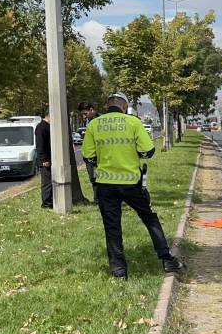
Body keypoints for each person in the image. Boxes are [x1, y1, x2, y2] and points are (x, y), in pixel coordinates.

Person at [82, 92, 183, 279]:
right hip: (131, 184)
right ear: (124, 107)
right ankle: (167, 259)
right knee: (149, 218)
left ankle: (119, 272)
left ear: (107, 106)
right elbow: (148, 151)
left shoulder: (94, 124)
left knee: (112, 228)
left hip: (105, 184)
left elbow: (87, 155)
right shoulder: (133, 122)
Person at [78, 102, 99, 202]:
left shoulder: (100, 120)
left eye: (85, 114)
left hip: (98, 156)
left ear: (92, 110)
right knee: (93, 179)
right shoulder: (88, 121)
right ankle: (97, 199)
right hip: (88, 156)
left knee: (99, 179)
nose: (84, 116)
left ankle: (99, 199)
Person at [35, 113, 53, 209]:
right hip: (45, 160)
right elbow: (40, 145)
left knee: (49, 181)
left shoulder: (48, 126)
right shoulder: (41, 127)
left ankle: (50, 201)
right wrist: (44, 160)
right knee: (47, 182)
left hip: (49, 159)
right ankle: (46, 203)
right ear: (48, 115)